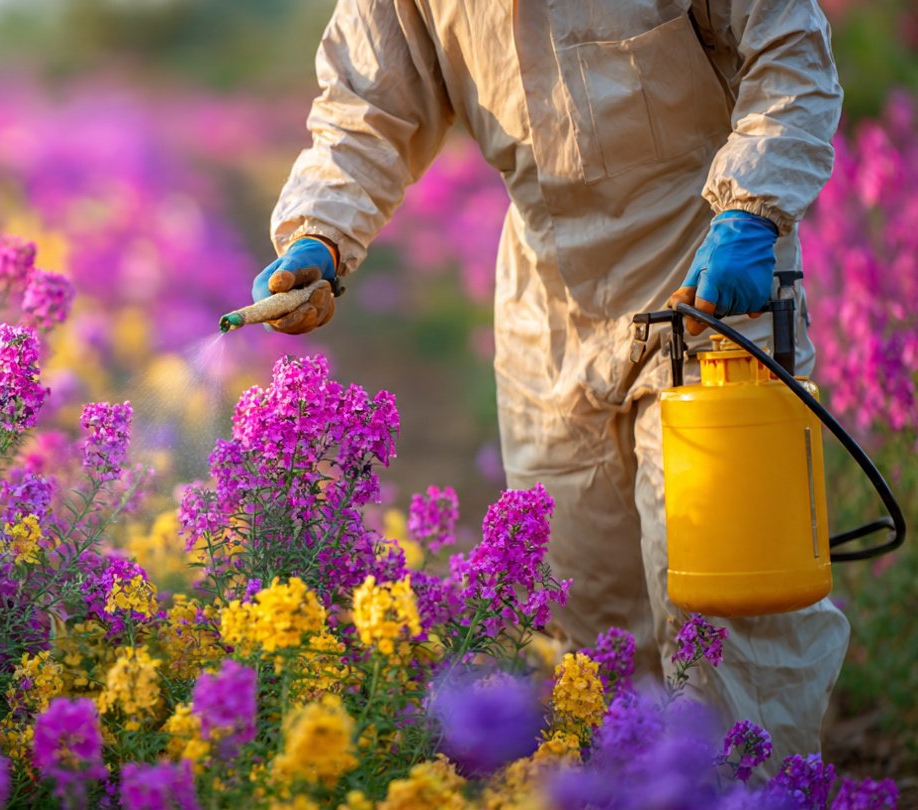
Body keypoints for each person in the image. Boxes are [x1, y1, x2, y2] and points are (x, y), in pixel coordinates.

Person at [253, 0, 848, 763]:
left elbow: (789, 51)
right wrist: (318, 232)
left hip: (710, 280)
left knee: (733, 611)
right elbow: (366, 104)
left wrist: (752, 212)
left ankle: (749, 788)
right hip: (550, 306)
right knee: (591, 621)